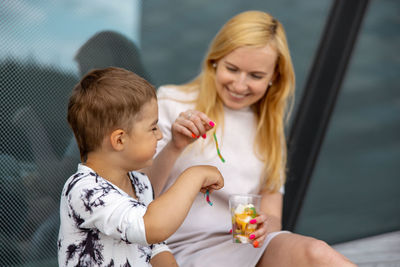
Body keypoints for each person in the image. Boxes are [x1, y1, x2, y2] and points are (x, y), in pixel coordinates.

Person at [146, 10, 356, 266]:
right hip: (169, 248)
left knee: (317, 253)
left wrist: (264, 224)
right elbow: (138, 195)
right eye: (232, 69)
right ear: (215, 61)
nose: (239, 85)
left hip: (241, 246)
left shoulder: (267, 126)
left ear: (273, 78)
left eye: (255, 76)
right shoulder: (170, 102)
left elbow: (272, 213)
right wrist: (174, 146)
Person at [58, 67, 224, 266]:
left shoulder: (139, 183)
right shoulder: (85, 190)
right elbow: (152, 228)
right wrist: (194, 175)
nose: (160, 135)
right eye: (153, 128)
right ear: (119, 140)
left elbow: (155, 248)